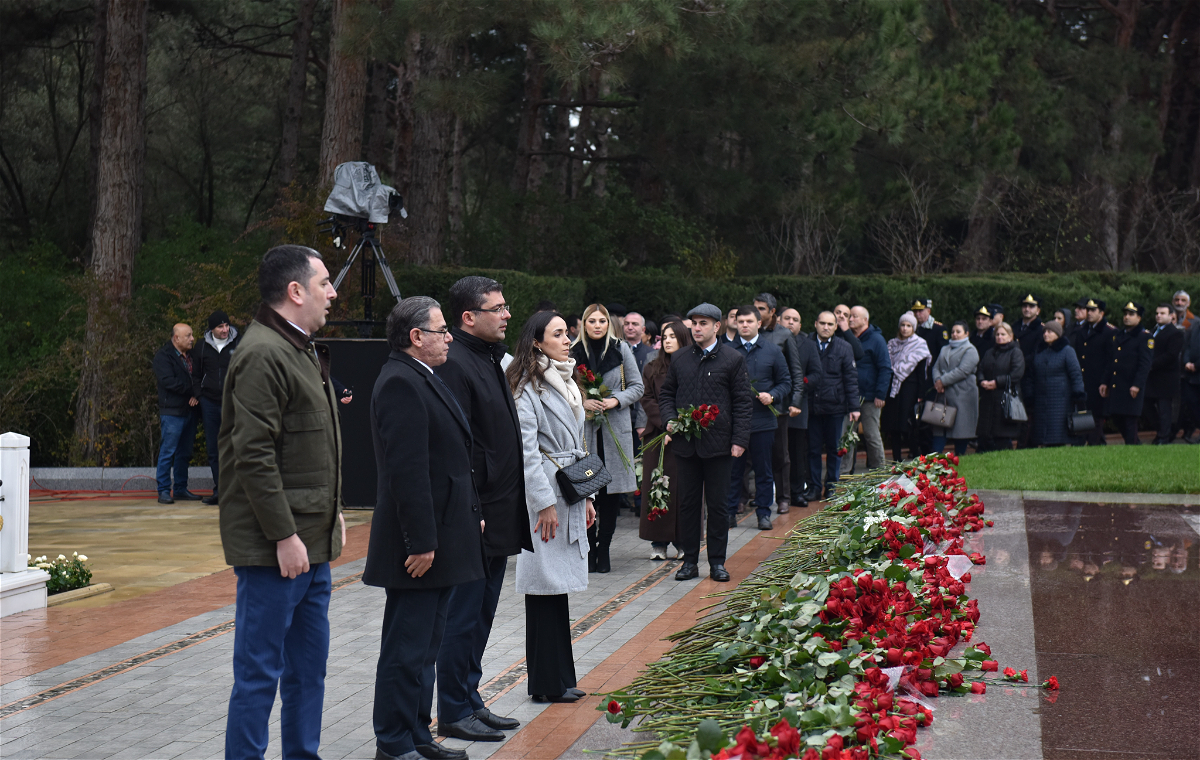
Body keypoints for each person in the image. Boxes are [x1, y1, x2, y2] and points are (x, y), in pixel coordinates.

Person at [219, 245, 345, 760]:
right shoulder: (261, 353)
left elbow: (306, 447)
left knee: (307, 674)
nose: (333, 293)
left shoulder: (299, 348)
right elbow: (253, 456)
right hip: (278, 551)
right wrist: (283, 535)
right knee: (258, 677)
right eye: (324, 283)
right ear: (296, 292)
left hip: (310, 545)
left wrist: (327, 511)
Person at [365, 297, 487, 760]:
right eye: (441, 330)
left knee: (424, 648)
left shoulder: (419, 376)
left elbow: (450, 459)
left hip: (440, 536)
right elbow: (407, 471)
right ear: (417, 337)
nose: (450, 336)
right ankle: (394, 742)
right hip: (418, 545)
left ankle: (417, 734)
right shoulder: (400, 381)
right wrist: (422, 542)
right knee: (406, 648)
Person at [433, 277, 530, 742]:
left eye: (507, 306)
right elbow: (459, 446)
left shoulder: (488, 358)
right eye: (498, 308)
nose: (507, 314)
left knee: (483, 614)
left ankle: (471, 698)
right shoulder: (456, 363)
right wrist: (473, 508)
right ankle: (452, 708)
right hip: (478, 513)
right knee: (464, 615)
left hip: (498, 511)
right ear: (469, 317)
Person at [507, 311, 597, 703]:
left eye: (567, 332)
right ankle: (544, 684)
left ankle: (561, 677)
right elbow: (526, 451)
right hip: (545, 494)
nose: (567, 340)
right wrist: (542, 503)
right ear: (537, 342)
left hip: (569, 490)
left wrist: (588, 495)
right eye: (558, 334)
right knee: (543, 587)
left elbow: (578, 442)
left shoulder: (565, 379)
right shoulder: (527, 385)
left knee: (556, 589)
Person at [658, 302, 752, 583]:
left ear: (716, 327)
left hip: (719, 446)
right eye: (694, 323)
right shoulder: (681, 358)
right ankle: (689, 561)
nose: (697, 328)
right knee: (687, 504)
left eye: (703, 324)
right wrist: (670, 419)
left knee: (719, 506)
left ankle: (717, 562)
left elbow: (742, 402)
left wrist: (739, 440)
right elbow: (666, 395)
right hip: (686, 446)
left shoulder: (732, 359)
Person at [570, 304, 644, 573]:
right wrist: (582, 401)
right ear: (584, 324)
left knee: (610, 494)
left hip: (615, 429)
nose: (598, 325)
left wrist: (615, 399)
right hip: (585, 430)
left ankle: (605, 548)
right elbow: (563, 388)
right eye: (592, 321)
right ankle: (589, 548)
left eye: (602, 320)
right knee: (586, 489)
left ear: (609, 324)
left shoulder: (621, 349)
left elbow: (637, 387)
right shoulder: (572, 350)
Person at [727, 305, 790, 531]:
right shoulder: (726, 350)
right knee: (733, 470)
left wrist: (773, 395)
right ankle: (729, 512)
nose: (744, 325)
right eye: (740, 321)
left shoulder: (772, 350)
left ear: (758, 324)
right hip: (734, 423)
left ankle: (764, 513)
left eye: (749, 321)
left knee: (764, 470)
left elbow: (786, 382)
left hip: (763, 421)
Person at [639, 319, 692, 559]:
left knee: (682, 489)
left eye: (672, 336)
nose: (667, 340)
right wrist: (666, 425)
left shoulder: (693, 365)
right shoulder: (652, 367)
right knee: (657, 485)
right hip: (658, 435)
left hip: (686, 435)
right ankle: (658, 543)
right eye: (664, 336)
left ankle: (684, 542)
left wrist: (678, 427)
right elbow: (648, 399)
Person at [806, 311, 860, 501]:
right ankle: (813, 487)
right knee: (812, 449)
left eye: (830, 324)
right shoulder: (807, 344)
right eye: (822, 323)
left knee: (834, 450)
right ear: (815, 324)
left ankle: (831, 486)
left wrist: (855, 407)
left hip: (835, 407)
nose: (826, 327)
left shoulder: (844, 347)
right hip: (811, 406)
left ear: (836, 326)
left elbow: (851, 379)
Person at [192, 310, 241, 506]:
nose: (224, 330)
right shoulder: (202, 347)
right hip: (209, 402)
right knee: (214, 448)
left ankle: (236, 492)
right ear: (212, 328)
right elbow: (195, 373)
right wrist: (199, 394)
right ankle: (219, 490)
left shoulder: (239, 343)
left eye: (226, 325)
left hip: (233, 402)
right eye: (220, 326)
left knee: (235, 447)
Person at [154, 323, 200, 504]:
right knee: (168, 451)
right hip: (172, 411)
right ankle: (164, 489)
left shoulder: (193, 356)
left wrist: (197, 394)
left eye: (192, 335)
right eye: (188, 336)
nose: (192, 339)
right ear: (176, 338)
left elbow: (200, 377)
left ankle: (180, 488)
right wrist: (193, 391)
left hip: (190, 411)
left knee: (184, 452)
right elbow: (168, 382)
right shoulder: (163, 357)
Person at [1023, 321, 1086, 447]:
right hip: (1041, 399)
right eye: (1044, 332)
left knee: (1058, 431)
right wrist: (1029, 394)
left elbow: (1075, 374)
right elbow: (1031, 374)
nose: (1046, 334)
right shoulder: (1039, 351)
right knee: (1042, 431)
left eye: (1050, 332)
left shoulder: (1067, 351)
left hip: (1061, 399)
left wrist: (1078, 394)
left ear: (1058, 334)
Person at [1101, 302, 1153, 445]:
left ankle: (1133, 446)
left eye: (1131, 314)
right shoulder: (1118, 335)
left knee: (1130, 419)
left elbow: (1144, 364)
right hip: (1118, 384)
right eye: (1125, 314)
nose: (1127, 317)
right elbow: (1112, 360)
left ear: (1139, 318)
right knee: (1117, 417)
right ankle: (1135, 444)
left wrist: (1137, 384)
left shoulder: (1144, 337)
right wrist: (1105, 381)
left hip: (1131, 384)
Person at [782, 310, 820, 508]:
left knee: (797, 452)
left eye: (795, 320)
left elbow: (816, 374)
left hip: (797, 405)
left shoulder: (809, 345)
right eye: (787, 319)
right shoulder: (769, 341)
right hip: (772, 405)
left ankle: (796, 492)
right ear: (779, 320)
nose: (791, 322)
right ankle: (777, 494)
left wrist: (800, 384)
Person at [882, 312, 930, 462]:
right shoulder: (892, 344)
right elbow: (886, 366)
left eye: (908, 326)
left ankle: (916, 455)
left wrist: (920, 394)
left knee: (908, 425)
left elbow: (922, 373)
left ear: (913, 328)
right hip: (893, 390)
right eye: (903, 325)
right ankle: (896, 459)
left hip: (910, 389)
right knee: (893, 426)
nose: (905, 328)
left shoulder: (919, 345)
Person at [848, 305, 892, 471]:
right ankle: (846, 471)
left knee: (871, 434)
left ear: (865, 320)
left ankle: (879, 470)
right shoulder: (848, 337)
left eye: (855, 316)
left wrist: (880, 394)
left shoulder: (876, 340)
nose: (851, 319)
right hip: (850, 395)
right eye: (850, 316)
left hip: (870, 396)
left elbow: (885, 367)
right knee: (848, 435)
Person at [931, 321, 979, 456]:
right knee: (939, 428)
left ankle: (960, 456)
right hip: (944, 395)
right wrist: (937, 381)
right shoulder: (945, 349)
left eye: (958, 332)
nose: (955, 334)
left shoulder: (970, 350)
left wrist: (943, 381)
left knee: (961, 429)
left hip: (963, 395)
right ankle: (935, 458)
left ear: (966, 334)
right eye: (953, 332)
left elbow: (963, 371)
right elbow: (936, 367)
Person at [976, 322, 1025, 453]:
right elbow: (980, 368)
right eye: (997, 334)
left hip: (1005, 397)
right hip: (988, 397)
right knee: (986, 434)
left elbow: (1016, 374)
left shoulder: (1016, 352)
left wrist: (997, 382)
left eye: (1003, 334)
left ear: (1010, 336)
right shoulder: (989, 352)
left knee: (1002, 436)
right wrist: (981, 381)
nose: (999, 337)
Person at [1073, 298, 1116, 445]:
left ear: (1101, 313)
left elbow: (1111, 360)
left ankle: (1094, 444)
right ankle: (1092, 442)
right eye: (1088, 310)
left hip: (1099, 381)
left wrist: (1106, 381)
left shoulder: (1109, 332)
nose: (1089, 313)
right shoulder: (1082, 330)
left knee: (1097, 416)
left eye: (1093, 310)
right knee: (1083, 412)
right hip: (1084, 380)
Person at [1145, 303, 1185, 445]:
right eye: (1157, 313)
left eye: (1162, 313)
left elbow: (1171, 355)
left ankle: (1164, 436)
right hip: (1152, 378)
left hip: (1165, 378)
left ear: (1171, 316)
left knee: (1164, 409)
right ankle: (1161, 431)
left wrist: (1151, 365)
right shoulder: (1153, 331)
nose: (1158, 316)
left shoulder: (1175, 333)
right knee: (1148, 406)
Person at [1180, 318, 1200, 443]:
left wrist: (1196, 365)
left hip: (1196, 370)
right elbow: (1187, 347)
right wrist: (1186, 362)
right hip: (1192, 377)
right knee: (1192, 404)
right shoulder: (1195, 327)